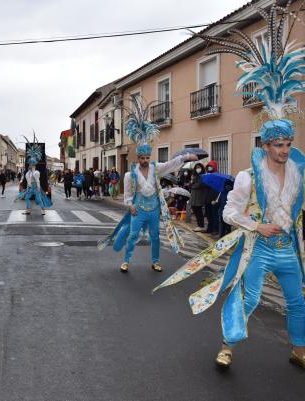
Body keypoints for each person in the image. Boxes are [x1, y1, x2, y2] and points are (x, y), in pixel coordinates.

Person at [154, 3, 305, 370]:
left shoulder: (300, 174)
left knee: (298, 301)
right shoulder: (248, 177)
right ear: (265, 146)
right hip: (260, 246)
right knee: (247, 296)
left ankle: (299, 349)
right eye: (278, 145)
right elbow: (229, 212)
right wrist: (256, 225)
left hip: (288, 249)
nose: (284, 151)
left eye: (288, 144)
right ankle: (228, 345)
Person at [103, 96, 197, 273]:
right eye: (142, 158)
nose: (145, 160)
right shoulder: (131, 174)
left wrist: (186, 157)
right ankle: (126, 261)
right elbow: (128, 195)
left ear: (149, 157)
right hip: (138, 209)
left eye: (147, 157)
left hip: (154, 209)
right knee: (132, 235)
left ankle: (155, 261)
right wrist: (130, 205)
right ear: (138, 157)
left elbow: (170, 164)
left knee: (155, 237)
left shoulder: (156, 168)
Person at [17, 145, 53, 215]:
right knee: (27, 198)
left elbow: (37, 181)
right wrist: (27, 187)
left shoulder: (36, 172)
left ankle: (43, 210)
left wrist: (39, 188)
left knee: (39, 199)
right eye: (29, 164)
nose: (30, 165)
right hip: (30, 188)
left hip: (35, 187)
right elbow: (28, 181)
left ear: (34, 165)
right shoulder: (28, 173)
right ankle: (28, 210)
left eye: (31, 164)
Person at [190, 163, 208, 232]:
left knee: (199, 210)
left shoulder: (203, 176)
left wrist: (192, 185)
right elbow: (190, 184)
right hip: (194, 195)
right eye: (197, 167)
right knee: (195, 209)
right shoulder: (194, 176)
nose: (198, 169)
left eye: (199, 167)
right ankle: (199, 225)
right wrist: (192, 181)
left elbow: (199, 185)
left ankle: (201, 225)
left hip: (199, 196)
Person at [204, 160, 220, 234]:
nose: (209, 168)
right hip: (207, 198)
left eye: (211, 167)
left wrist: (215, 199)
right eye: (208, 167)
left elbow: (217, 188)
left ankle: (215, 229)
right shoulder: (206, 175)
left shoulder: (217, 176)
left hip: (214, 199)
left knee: (214, 214)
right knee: (208, 214)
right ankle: (210, 227)